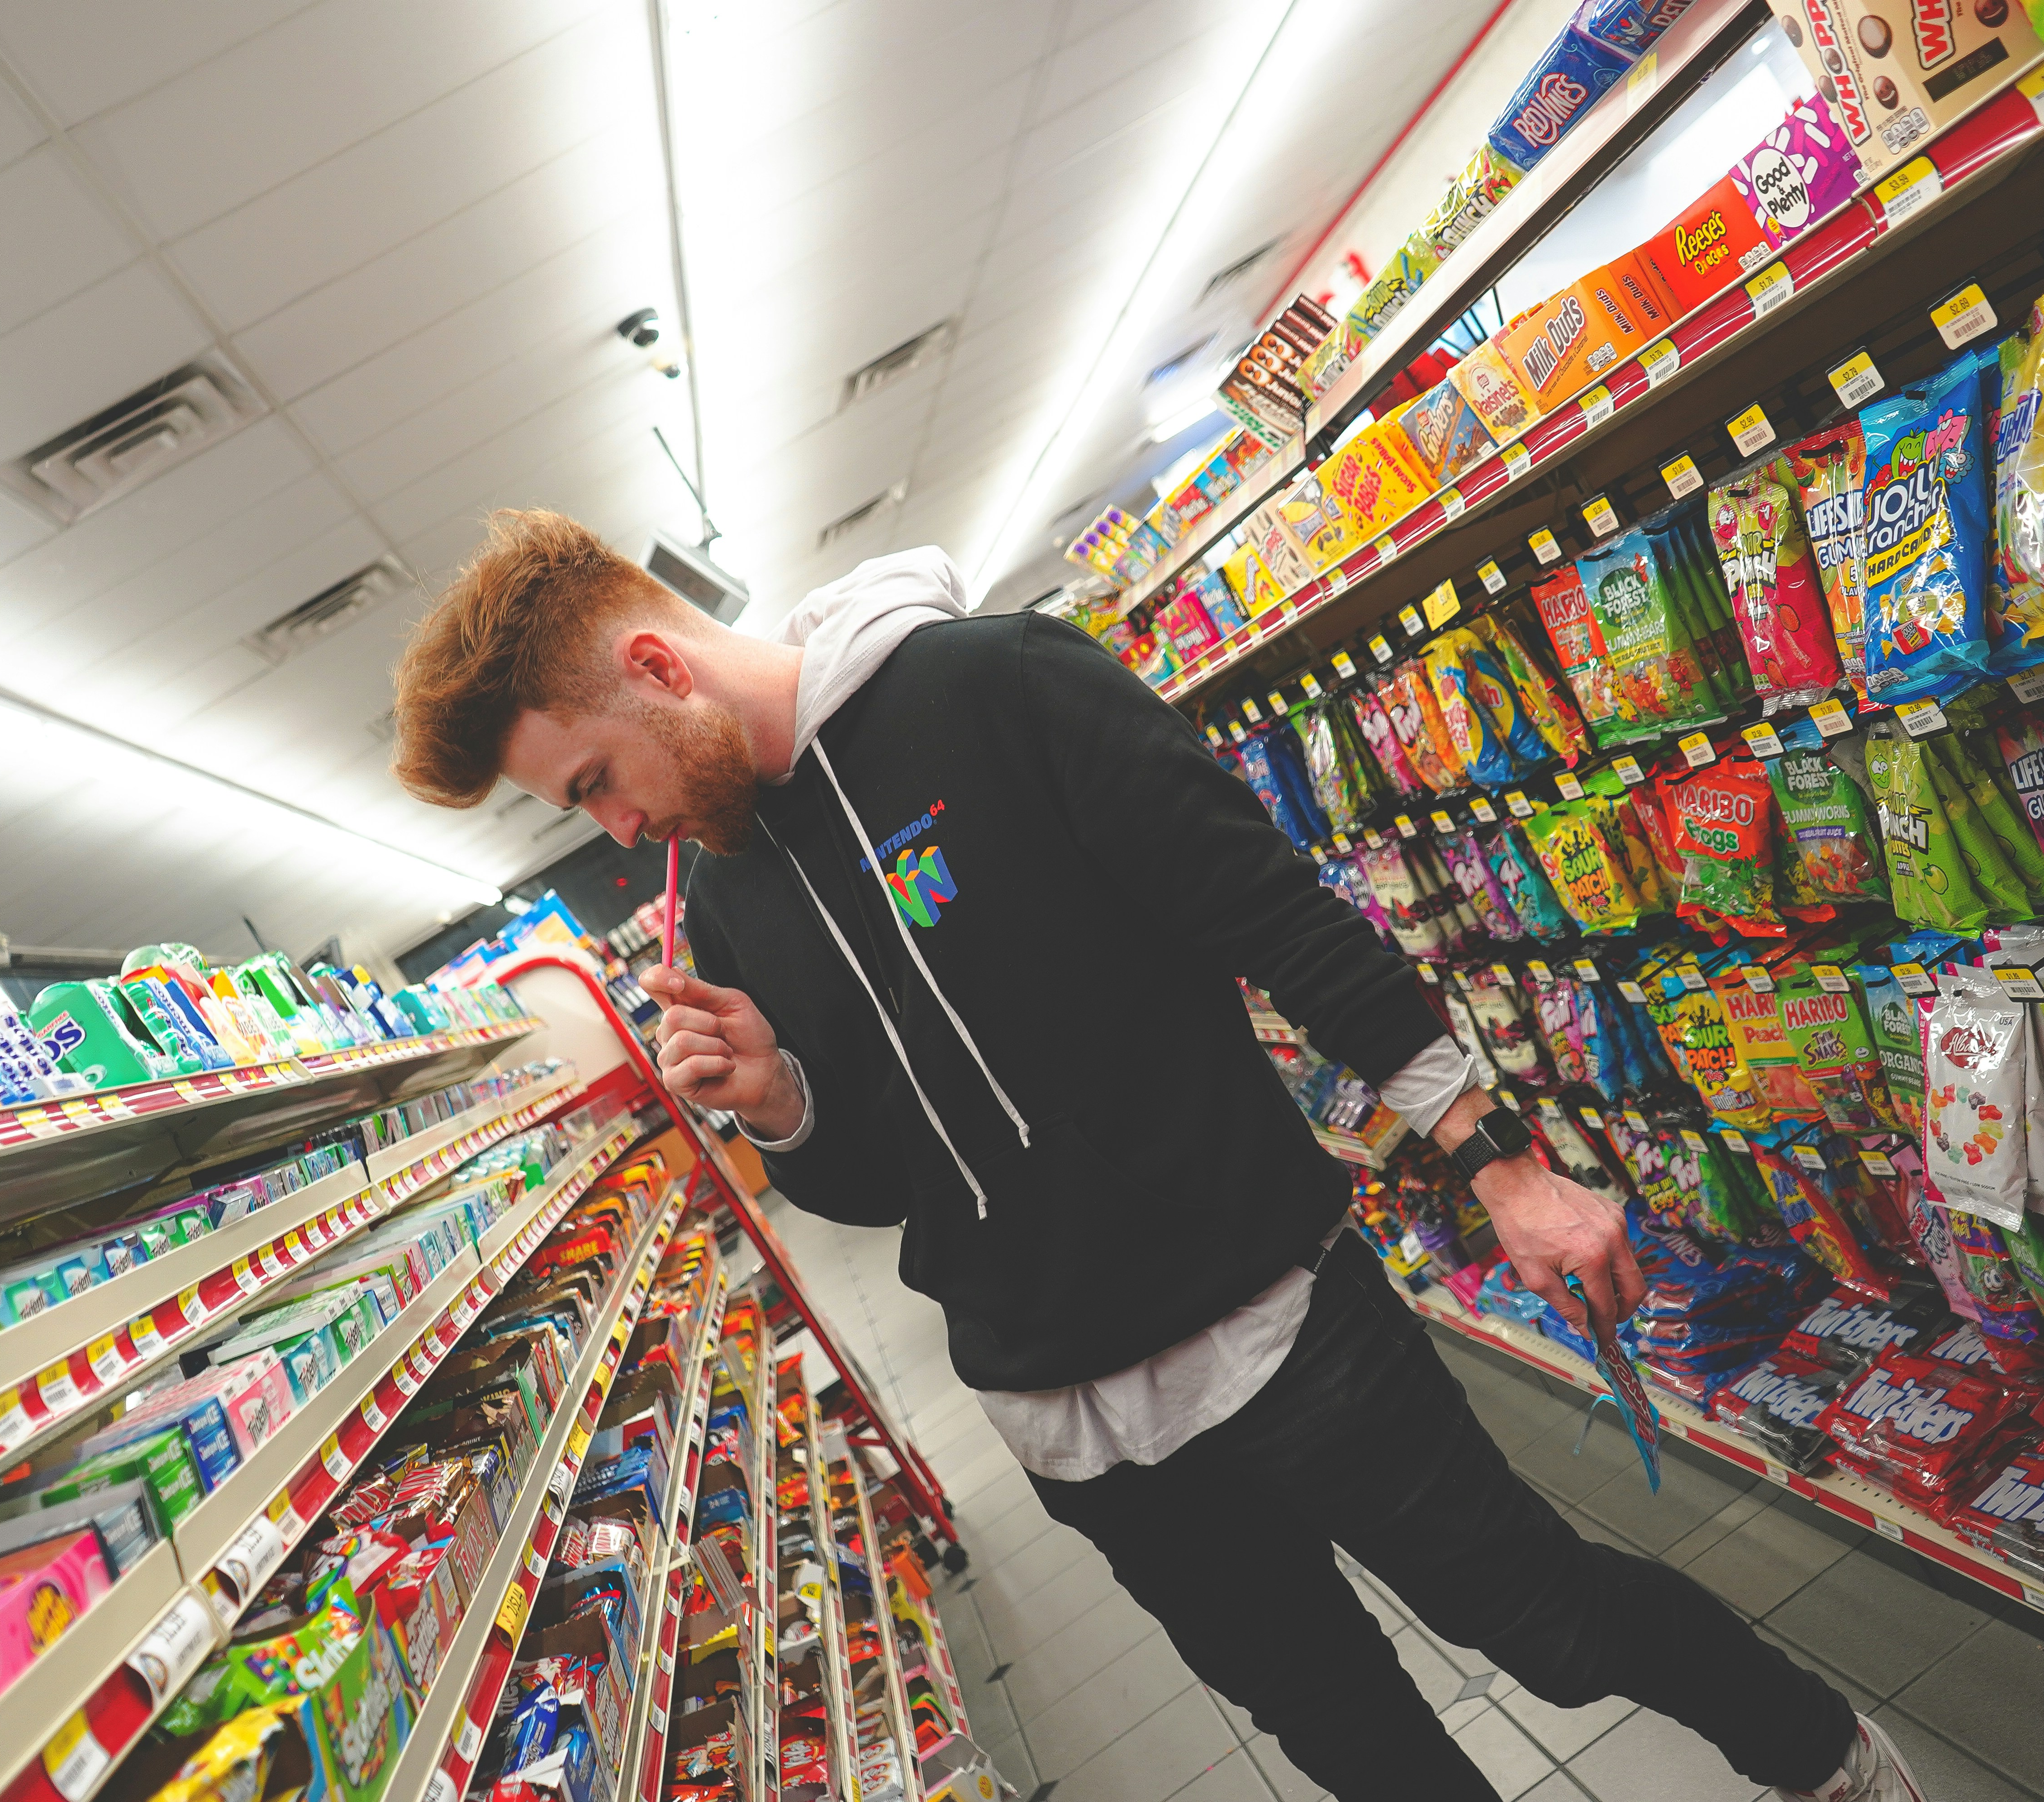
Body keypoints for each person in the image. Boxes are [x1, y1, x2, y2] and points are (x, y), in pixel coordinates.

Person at [390, 509, 1925, 1802]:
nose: (616, 827)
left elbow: (1277, 915)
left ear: (657, 670)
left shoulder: (993, 685)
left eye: (593, 782)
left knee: (1546, 1626)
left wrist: (1501, 1165)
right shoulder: (727, 897)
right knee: (1355, 1744)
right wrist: (782, 1104)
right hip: (1067, 1425)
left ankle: (1821, 1752)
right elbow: (868, 1186)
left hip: (1278, 1322)